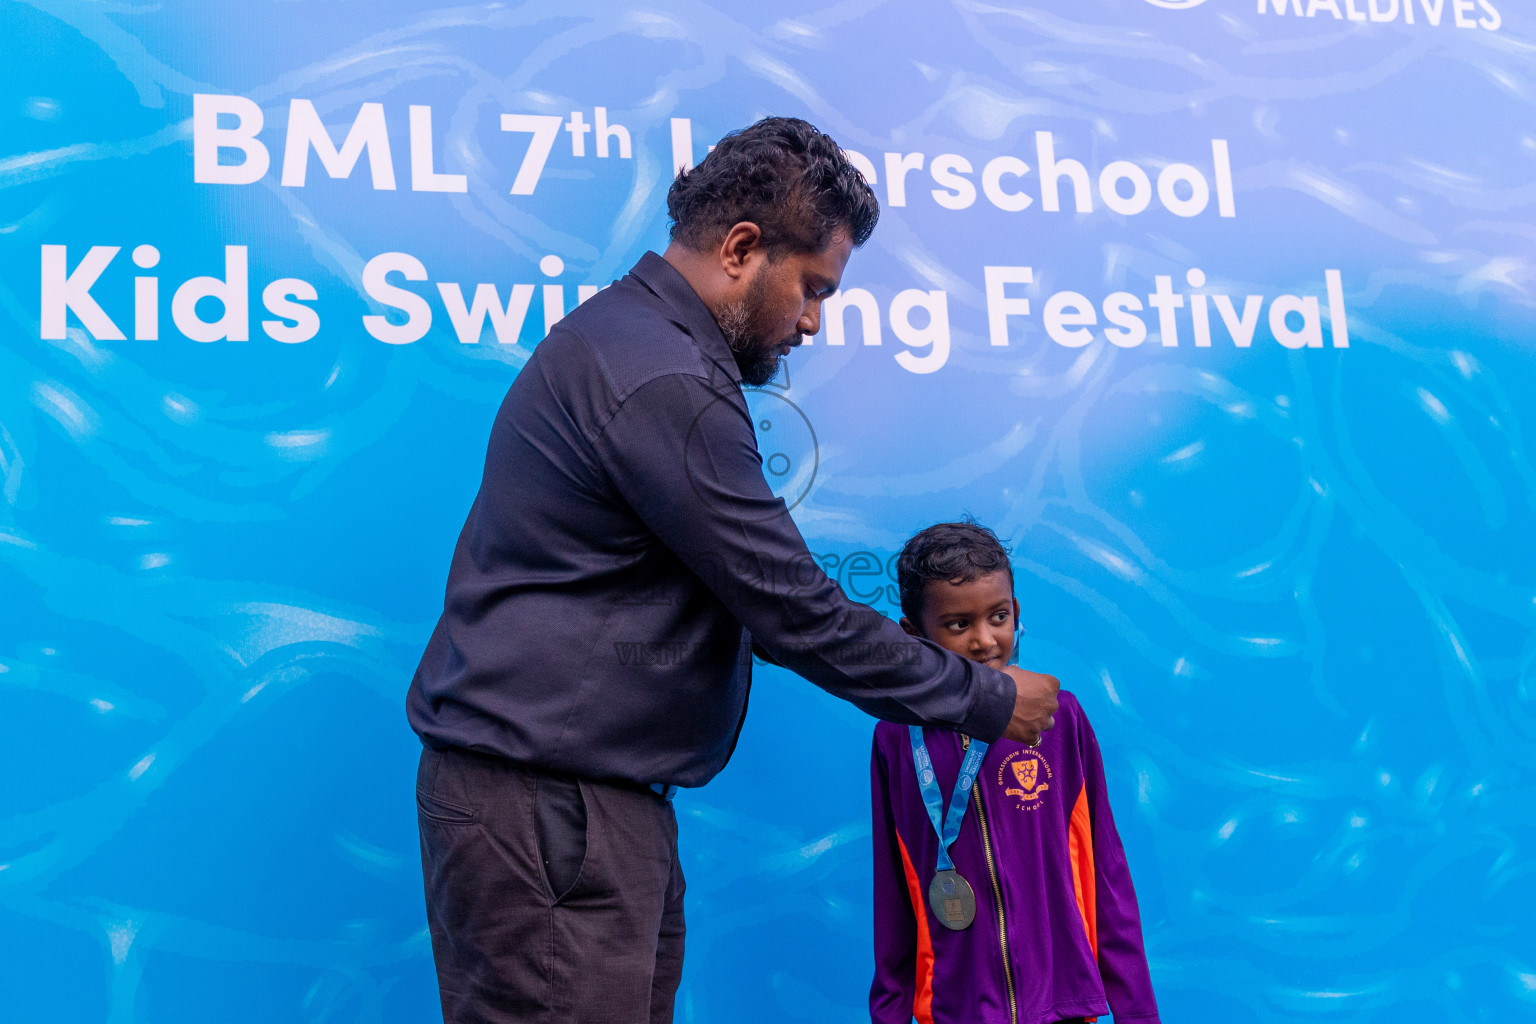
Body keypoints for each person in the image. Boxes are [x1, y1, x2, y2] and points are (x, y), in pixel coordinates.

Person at [406, 117, 1060, 1024]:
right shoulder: (659, 377)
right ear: (744, 248)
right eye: (813, 289)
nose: (811, 322)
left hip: (577, 810)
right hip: (551, 815)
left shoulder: (641, 349)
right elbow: (794, 610)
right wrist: (986, 698)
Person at [870, 521, 1159, 1024]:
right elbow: (893, 890)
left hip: (1063, 1003)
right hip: (952, 1009)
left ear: (1016, 613)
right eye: (958, 625)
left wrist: (1138, 1014)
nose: (985, 641)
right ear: (913, 635)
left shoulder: (1059, 719)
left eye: (998, 617)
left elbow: (1106, 872)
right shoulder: (897, 738)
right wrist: (891, 1013)